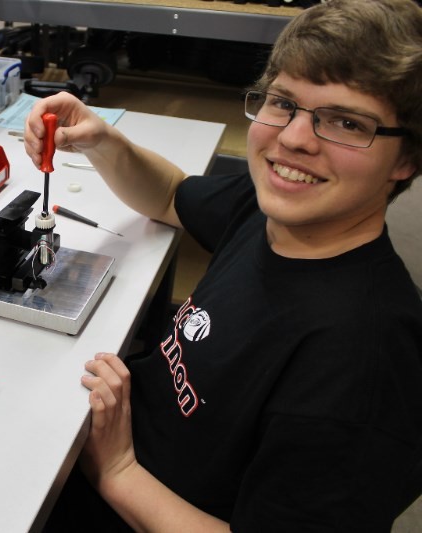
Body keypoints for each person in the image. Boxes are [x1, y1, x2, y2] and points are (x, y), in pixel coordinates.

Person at [23, 0, 422, 530]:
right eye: (283, 103)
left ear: (407, 160)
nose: (295, 138)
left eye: (346, 122)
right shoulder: (270, 214)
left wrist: (117, 471)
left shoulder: (362, 367)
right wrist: (101, 139)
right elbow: (170, 194)